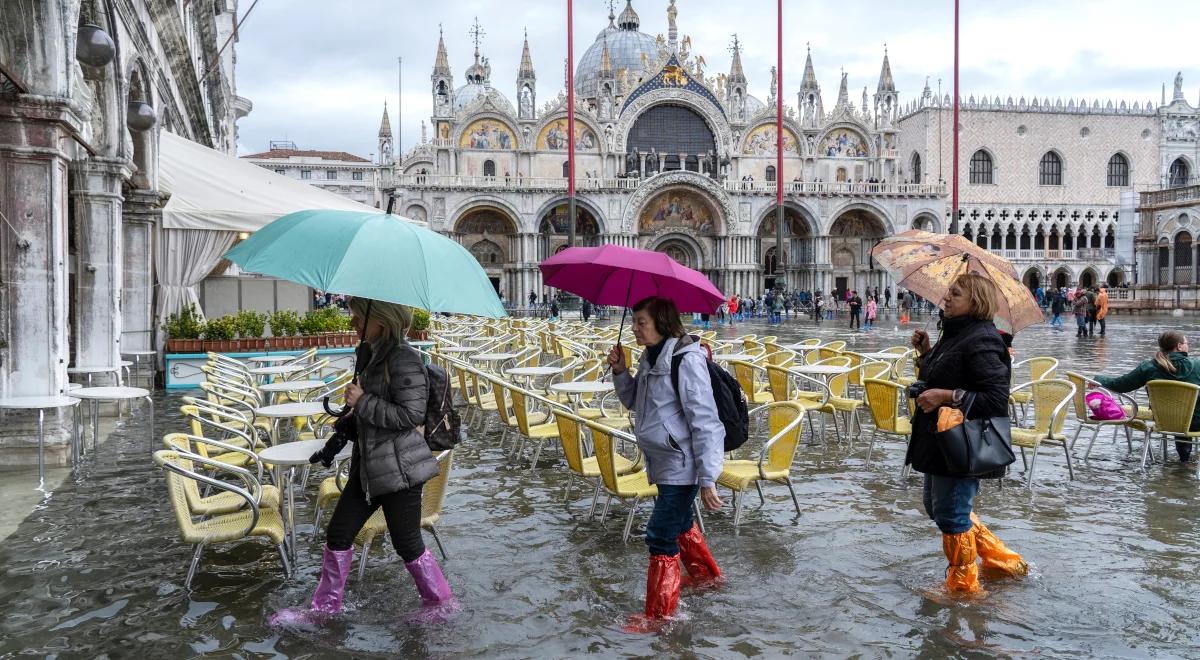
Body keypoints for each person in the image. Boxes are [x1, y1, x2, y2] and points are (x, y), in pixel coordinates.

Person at [271, 298, 456, 627]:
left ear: (381, 321)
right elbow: (376, 413)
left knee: (407, 543)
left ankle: (441, 604)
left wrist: (364, 401)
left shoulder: (405, 359)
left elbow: (410, 416)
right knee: (338, 535)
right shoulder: (371, 356)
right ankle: (325, 609)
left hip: (400, 470)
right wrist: (352, 414)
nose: (353, 322)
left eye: (359, 316)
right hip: (368, 466)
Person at [607, 297, 725, 630]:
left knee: (660, 535)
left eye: (640, 322)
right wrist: (621, 371)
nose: (634, 328)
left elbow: (705, 419)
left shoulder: (686, 360)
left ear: (661, 322)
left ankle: (659, 616)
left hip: (682, 463)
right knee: (681, 522)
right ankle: (707, 578)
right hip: (662, 460)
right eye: (633, 322)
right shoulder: (650, 357)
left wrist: (708, 477)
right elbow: (635, 402)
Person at [907, 273, 1027, 595]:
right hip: (940, 441)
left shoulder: (984, 339)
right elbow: (944, 374)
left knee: (951, 515)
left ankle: (964, 592)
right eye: (948, 292)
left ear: (975, 302)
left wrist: (946, 397)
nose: (946, 298)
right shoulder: (956, 334)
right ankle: (1005, 561)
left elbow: (995, 399)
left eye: (954, 294)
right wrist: (926, 353)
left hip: (960, 443)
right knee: (939, 509)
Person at [1096, 331, 1200, 462]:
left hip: (1163, 421)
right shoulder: (1197, 365)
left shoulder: (1148, 367)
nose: (1187, 346)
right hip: (1196, 423)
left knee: (1180, 416)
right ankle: (1185, 465)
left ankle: (1184, 461)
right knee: (1190, 413)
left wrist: (1098, 379)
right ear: (1179, 346)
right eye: (1186, 343)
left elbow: (1120, 385)